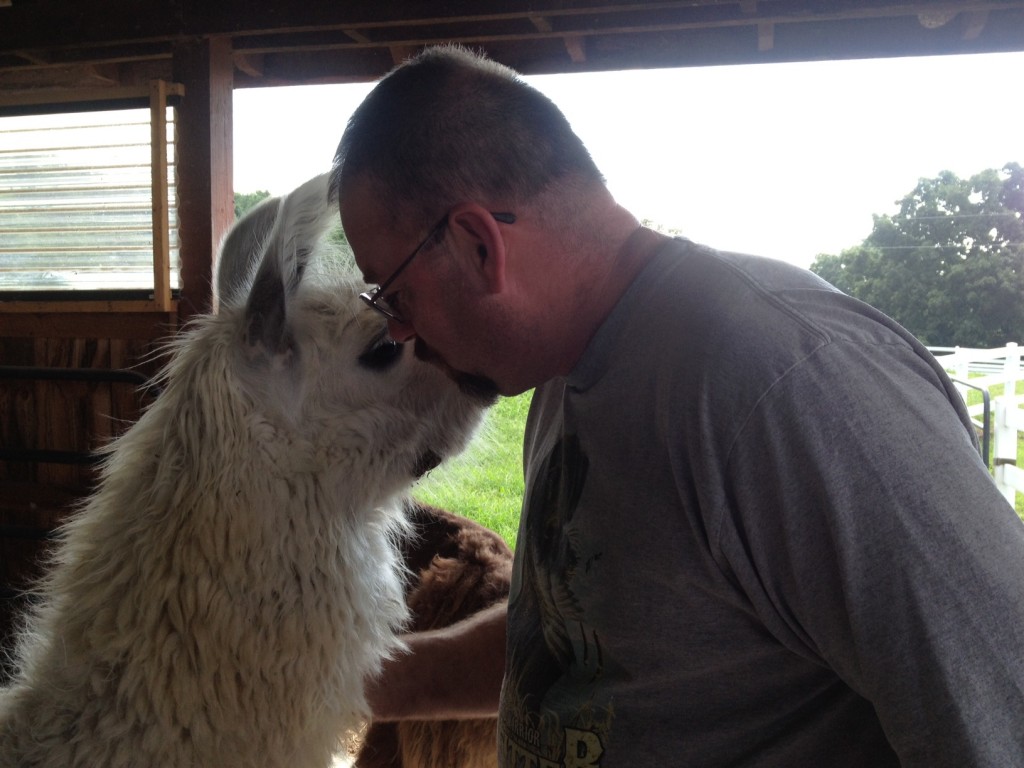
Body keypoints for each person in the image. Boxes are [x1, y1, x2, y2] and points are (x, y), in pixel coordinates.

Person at [329, 45, 1024, 767]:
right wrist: (335, 684)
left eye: (395, 293)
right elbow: (581, 644)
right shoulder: (571, 376)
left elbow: (998, 704)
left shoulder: (790, 385)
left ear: (478, 245)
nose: (398, 329)